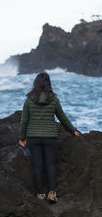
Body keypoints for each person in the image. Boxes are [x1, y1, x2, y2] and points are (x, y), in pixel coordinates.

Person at [19, 72, 80, 203]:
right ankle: (52, 194)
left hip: (33, 137)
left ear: (35, 83)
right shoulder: (54, 99)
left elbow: (24, 120)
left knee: (37, 165)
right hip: (50, 137)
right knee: (51, 165)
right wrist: (72, 131)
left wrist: (22, 137)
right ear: (48, 84)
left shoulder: (29, 99)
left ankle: (40, 194)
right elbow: (62, 118)